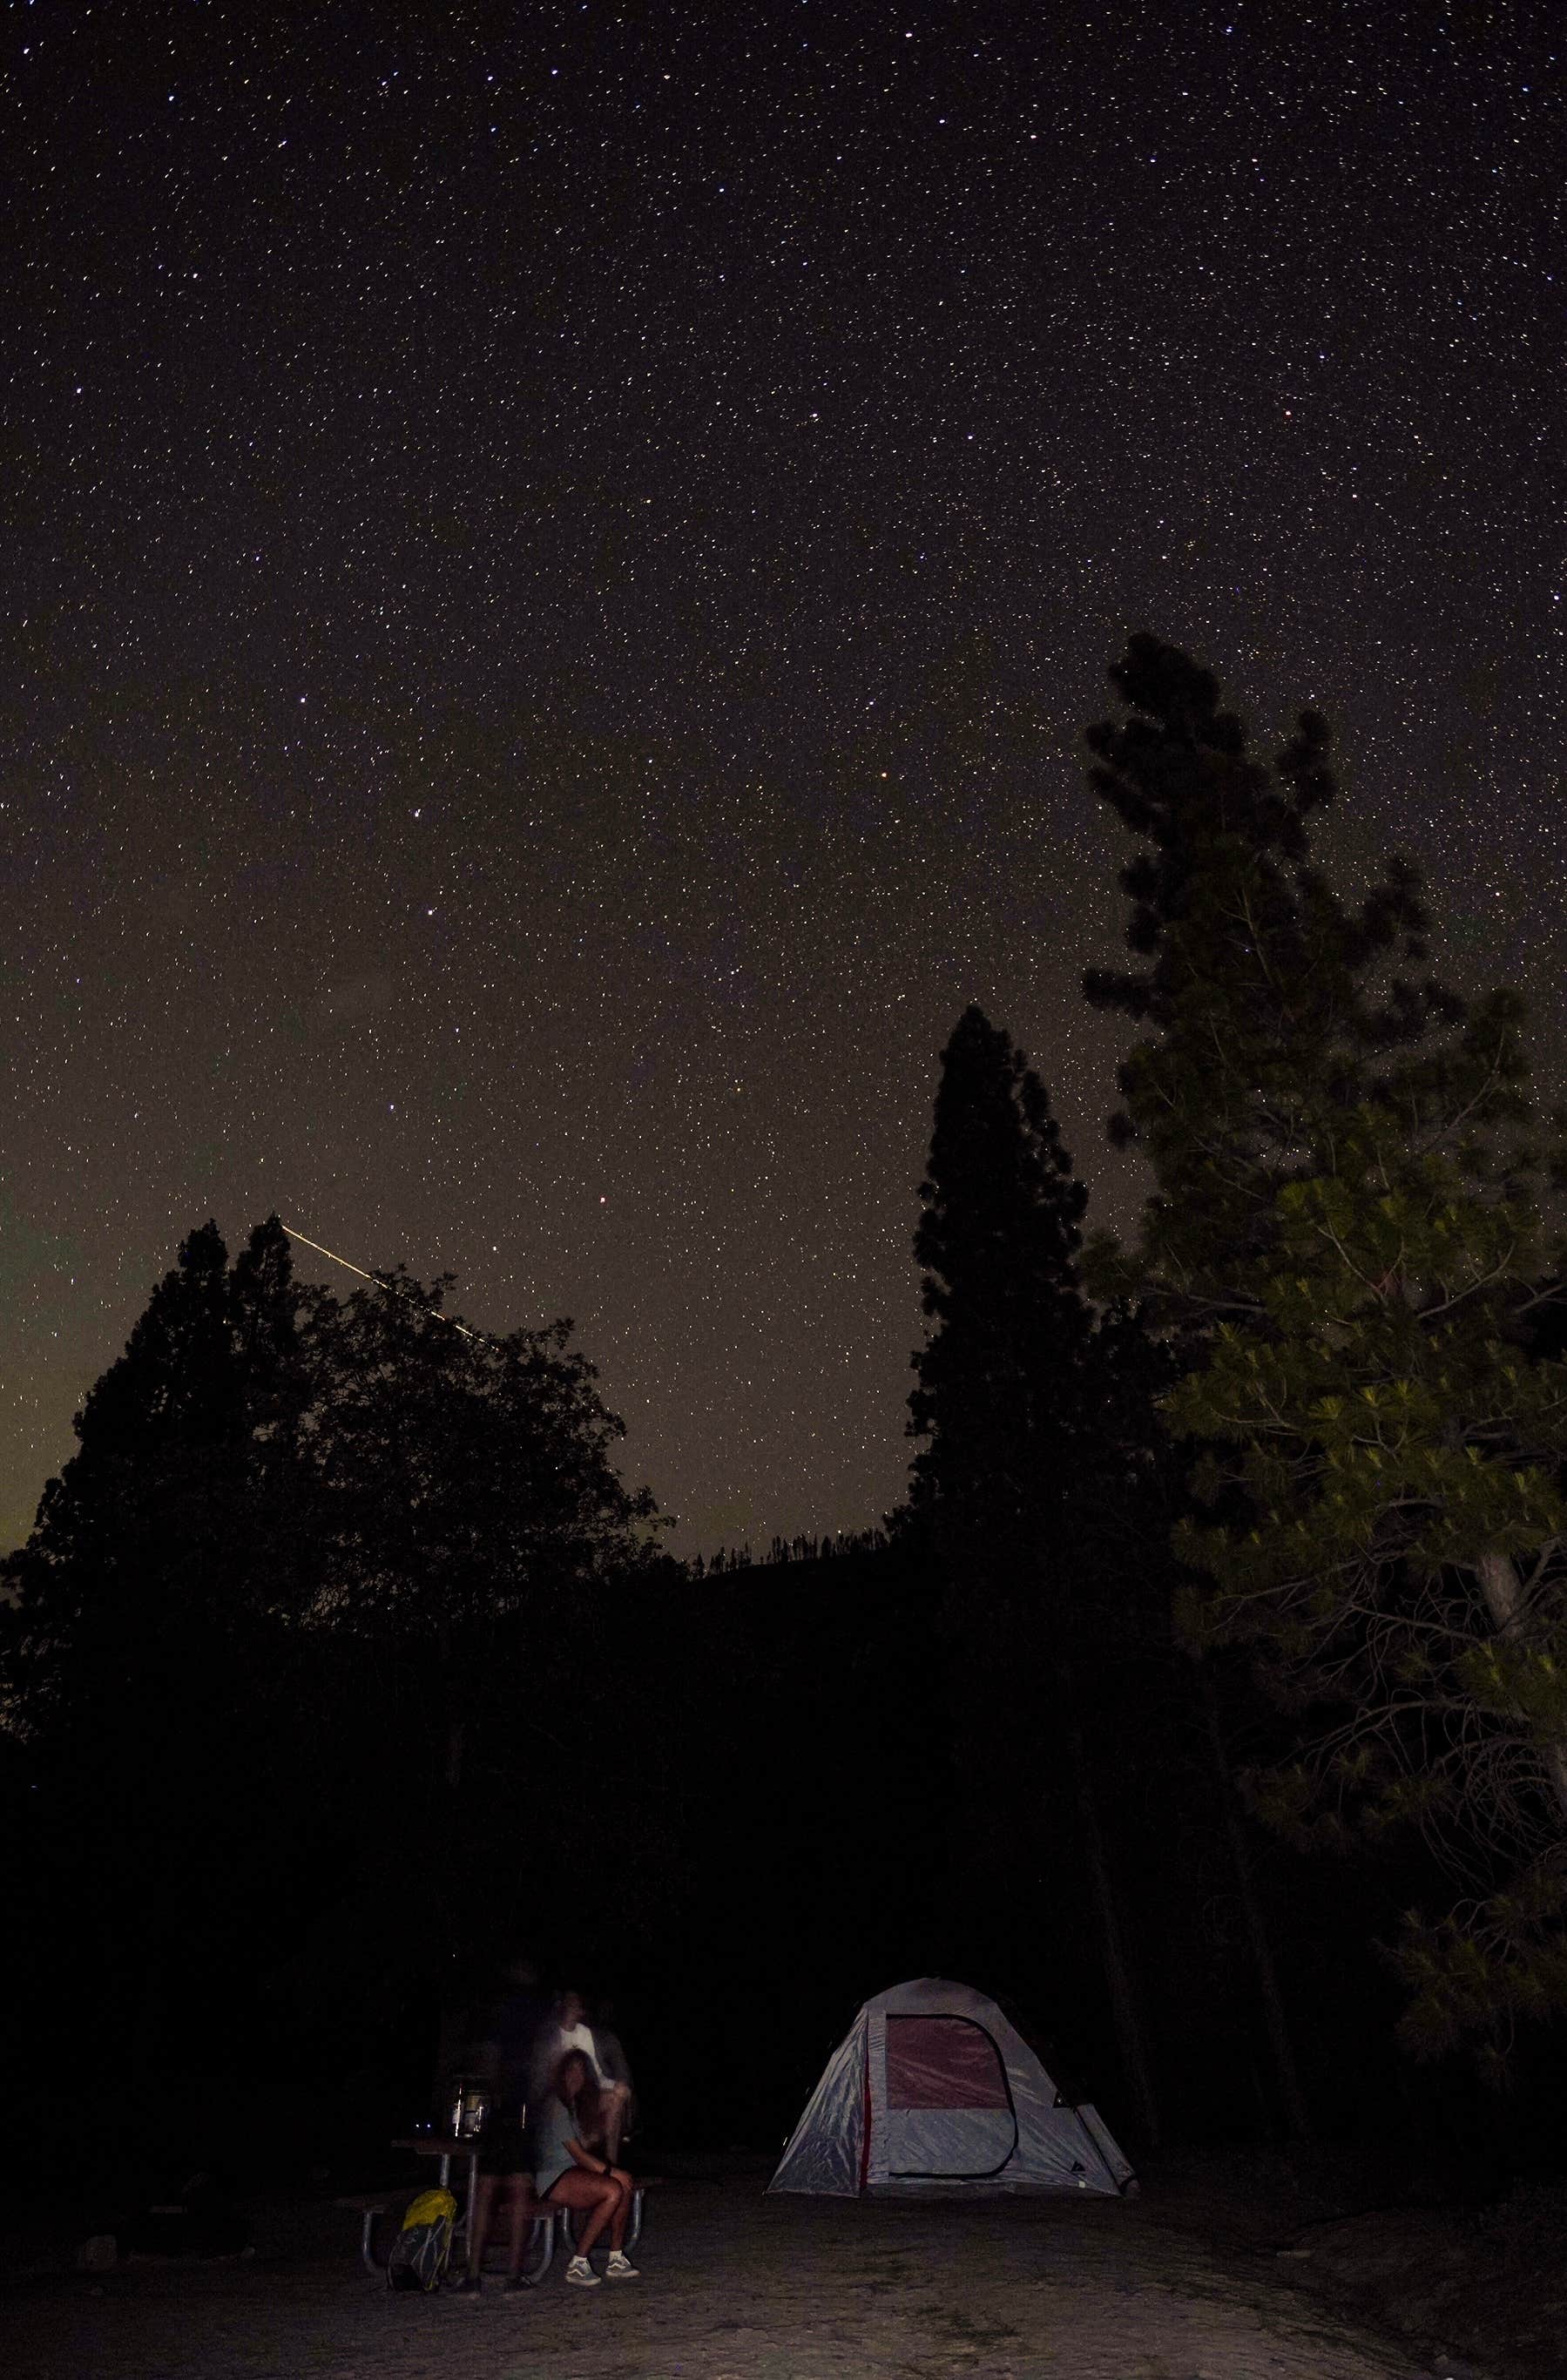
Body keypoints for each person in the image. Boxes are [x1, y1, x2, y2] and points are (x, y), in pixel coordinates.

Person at [533, 2049, 639, 2286]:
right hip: (552, 2177)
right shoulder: (555, 2105)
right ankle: (578, 2262)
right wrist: (612, 2171)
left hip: (570, 2172)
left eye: (581, 2071)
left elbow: (586, 2144)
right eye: (571, 2070)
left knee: (624, 2183)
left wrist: (609, 2118)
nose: (576, 2075)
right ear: (561, 2074)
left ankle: (616, 2257)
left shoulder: (572, 2107)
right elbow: (579, 2155)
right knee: (613, 2189)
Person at [530, 1986, 633, 2162]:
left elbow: (595, 2073)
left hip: (586, 2092)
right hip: (561, 2095)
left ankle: (610, 2163)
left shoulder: (585, 2034)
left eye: (577, 2005)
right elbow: (543, 2076)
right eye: (570, 2003)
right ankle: (584, 2149)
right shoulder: (549, 2035)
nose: (573, 2008)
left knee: (617, 2099)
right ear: (561, 2006)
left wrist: (617, 2087)